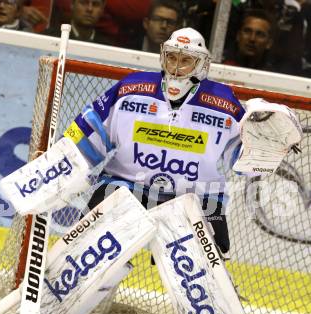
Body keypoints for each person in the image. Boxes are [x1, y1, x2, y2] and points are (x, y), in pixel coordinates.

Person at [65, 27, 247, 256]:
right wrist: (58, 160)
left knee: (206, 277)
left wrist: (265, 147)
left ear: (200, 64)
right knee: (80, 252)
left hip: (198, 198)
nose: (176, 66)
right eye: (172, 57)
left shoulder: (223, 103)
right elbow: (88, 134)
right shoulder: (131, 89)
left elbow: (244, 162)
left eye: (186, 60)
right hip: (125, 187)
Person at [46, 0, 113, 45]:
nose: (89, 9)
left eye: (95, 4)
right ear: (72, 4)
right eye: (83, 2)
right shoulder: (49, 38)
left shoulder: (108, 47)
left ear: (102, 9)